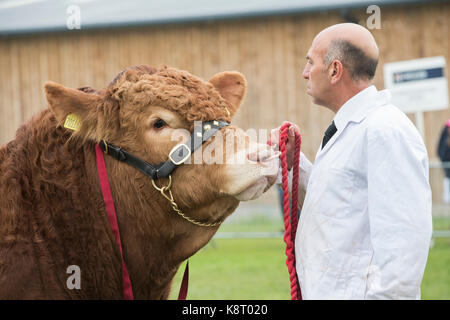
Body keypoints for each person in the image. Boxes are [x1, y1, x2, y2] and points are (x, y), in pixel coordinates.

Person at [268, 23, 432, 299]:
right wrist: (297, 165)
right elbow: (339, 204)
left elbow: (402, 246)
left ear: (334, 70)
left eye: (310, 62)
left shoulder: (384, 130)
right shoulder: (355, 127)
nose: (304, 73)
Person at [437, 120, 450, 203]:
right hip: (446, 164)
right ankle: (447, 199)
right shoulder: (444, 137)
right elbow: (440, 151)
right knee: (447, 180)